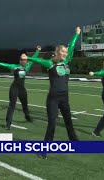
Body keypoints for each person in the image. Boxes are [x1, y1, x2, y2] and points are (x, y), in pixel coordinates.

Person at [20, 27, 81, 159]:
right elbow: (39, 61)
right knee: (52, 124)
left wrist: (76, 34)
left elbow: (71, 47)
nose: (65, 53)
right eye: (63, 52)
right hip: (53, 98)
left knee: (68, 122)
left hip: (65, 97)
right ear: (57, 52)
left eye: (66, 52)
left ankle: (75, 143)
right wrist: (28, 57)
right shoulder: (50, 63)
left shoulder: (66, 62)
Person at [0, 46, 41, 130]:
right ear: (20, 61)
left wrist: (37, 51)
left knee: (25, 105)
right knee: (12, 106)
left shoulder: (27, 66)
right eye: (23, 60)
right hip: (14, 88)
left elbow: (34, 58)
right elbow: (5, 64)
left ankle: (27, 117)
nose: (25, 61)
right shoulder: (15, 66)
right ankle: (8, 124)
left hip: (22, 89)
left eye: (26, 60)